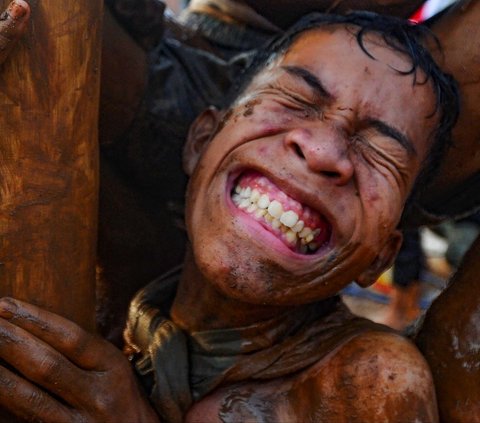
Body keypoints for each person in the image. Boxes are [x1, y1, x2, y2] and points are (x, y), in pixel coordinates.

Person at [0, 10, 460, 422]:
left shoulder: (369, 384)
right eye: (297, 100)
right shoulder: (117, 289)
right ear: (201, 140)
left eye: (379, 152)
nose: (322, 150)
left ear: (381, 257)